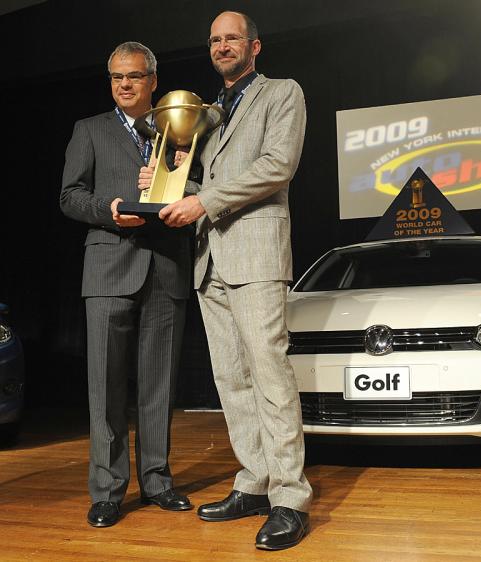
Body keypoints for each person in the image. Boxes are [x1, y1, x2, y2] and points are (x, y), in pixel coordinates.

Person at [142, 10, 312, 551]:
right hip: (210, 259)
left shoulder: (282, 93)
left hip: (256, 254)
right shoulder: (211, 114)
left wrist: (202, 199)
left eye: (232, 38)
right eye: (215, 40)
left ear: (254, 47)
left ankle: (289, 497)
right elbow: (208, 180)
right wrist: (166, 181)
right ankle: (256, 483)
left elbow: (275, 166)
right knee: (232, 382)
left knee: (269, 375)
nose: (222, 46)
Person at [60, 41, 193, 528]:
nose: (124, 84)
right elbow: (70, 196)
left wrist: (185, 182)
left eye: (134, 76)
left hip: (165, 267)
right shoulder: (89, 130)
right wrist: (109, 211)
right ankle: (108, 490)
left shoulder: (178, 131)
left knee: (159, 386)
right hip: (109, 268)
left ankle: (157, 480)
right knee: (106, 388)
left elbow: (198, 189)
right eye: (117, 77)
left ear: (153, 80)